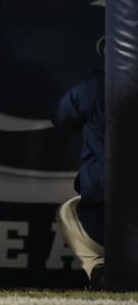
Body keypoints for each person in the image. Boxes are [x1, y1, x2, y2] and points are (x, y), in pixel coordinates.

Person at [52, 69, 105, 288]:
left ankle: (99, 267)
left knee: (68, 212)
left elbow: (61, 117)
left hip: (102, 205)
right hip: (105, 206)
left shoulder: (94, 87)